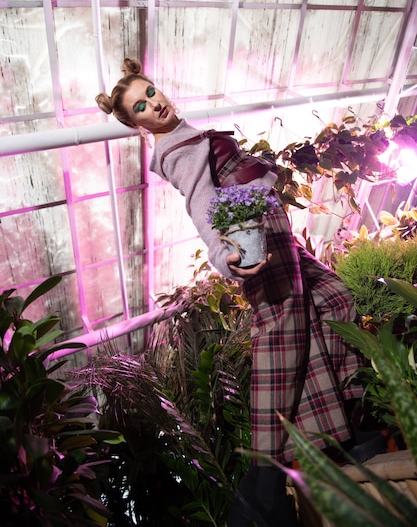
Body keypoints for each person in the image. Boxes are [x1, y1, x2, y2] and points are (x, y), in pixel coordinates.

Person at [96, 58, 365, 527]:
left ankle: (336, 431)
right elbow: (202, 206)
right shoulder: (176, 151)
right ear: (135, 124)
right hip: (254, 245)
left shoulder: (182, 131)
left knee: (334, 298)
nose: (154, 103)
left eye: (151, 91)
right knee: (281, 344)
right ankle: (261, 488)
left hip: (273, 232)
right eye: (141, 105)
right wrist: (228, 258)